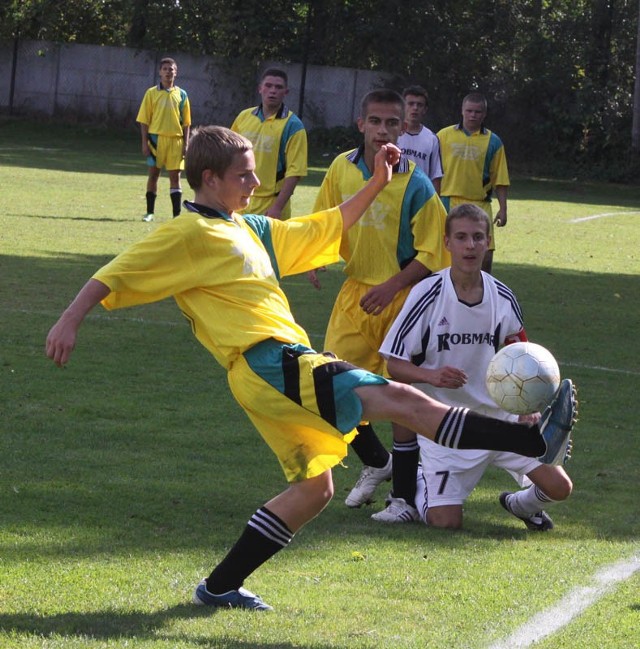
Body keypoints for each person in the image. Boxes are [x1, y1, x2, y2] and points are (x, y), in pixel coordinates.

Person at [45, 126, 576, 612]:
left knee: (315, 490)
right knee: (400, 399)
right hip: (270, 360)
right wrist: (70, 320)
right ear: (209, 179)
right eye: (244, 174)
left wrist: (377, 182)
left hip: (267, 370)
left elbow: (323, 226)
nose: (256, 181)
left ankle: (220, 587)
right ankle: (532, 444)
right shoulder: (187, 233)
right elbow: (114, 273)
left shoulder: (247, 227)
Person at [374, 203, 574, 530]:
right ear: (447, 243)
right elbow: (394, 364)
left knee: (559, 488)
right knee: (445, 523)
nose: (470, 245)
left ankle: (520, 504)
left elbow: (522, 358)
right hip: (446, 426)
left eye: (478, 237)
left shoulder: (503, 297)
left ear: (487, 242)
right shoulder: (426, 293)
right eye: (462, 237)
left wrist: (525, 408)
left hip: (500, 420)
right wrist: (431, 376)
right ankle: (419, 481)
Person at [310, 88, 450, 509]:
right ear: (361, 125)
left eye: (392, 123)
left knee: (401, 401)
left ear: (403, 128)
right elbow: (324, 220)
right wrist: (313, 258)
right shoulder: (341, 168)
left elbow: (433, 252)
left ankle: (404, 498)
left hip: (402, 301)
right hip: (354, 296)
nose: (383, 130)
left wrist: (391, 287)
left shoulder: (416, 181)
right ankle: (376, 460)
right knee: (329, 386)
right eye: (376, 121)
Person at [437, 93, 509, 273]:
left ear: (484, 114)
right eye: (469, 111)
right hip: (448, 201)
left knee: (485, 257)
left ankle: (482, 295)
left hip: (480, 203)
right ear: (462, 111)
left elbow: (500, 178)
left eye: (478, 112)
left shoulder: (494, 141)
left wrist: (503, 208)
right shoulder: (443, 136)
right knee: (445, 255)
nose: (473, 115)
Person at [231, 68, 307, 220]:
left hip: (270, 206)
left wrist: (277, 208)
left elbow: (295, 172)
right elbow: (228, 156)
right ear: (260, 88)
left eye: (278, 87)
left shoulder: (293, 126)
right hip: (239, 202)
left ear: (286, 92)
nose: (272, 90)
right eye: (268, 85)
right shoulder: (243, 117)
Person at [136, 57, 191, 222]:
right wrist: (144, 142)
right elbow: (144, 120)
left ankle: (176, 216)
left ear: (176, 72)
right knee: (153, 175)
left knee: (175, 177)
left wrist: (186, 144)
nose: (168, 72)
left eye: (171, 69)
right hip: (156, 139)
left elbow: (187, 123)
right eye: (165, 69)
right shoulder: (151, 93)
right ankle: (150, 212)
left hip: (176, 140)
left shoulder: (182, 94)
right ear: (160, 72)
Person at [397, 85, 443, 193]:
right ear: (402, 106)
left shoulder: (432, 139)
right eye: (411, 104)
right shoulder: (392, 134)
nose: (415, 108)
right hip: (394, 194)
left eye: (419, 105)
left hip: (420, 195)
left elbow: (436, 176)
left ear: (425, 109)